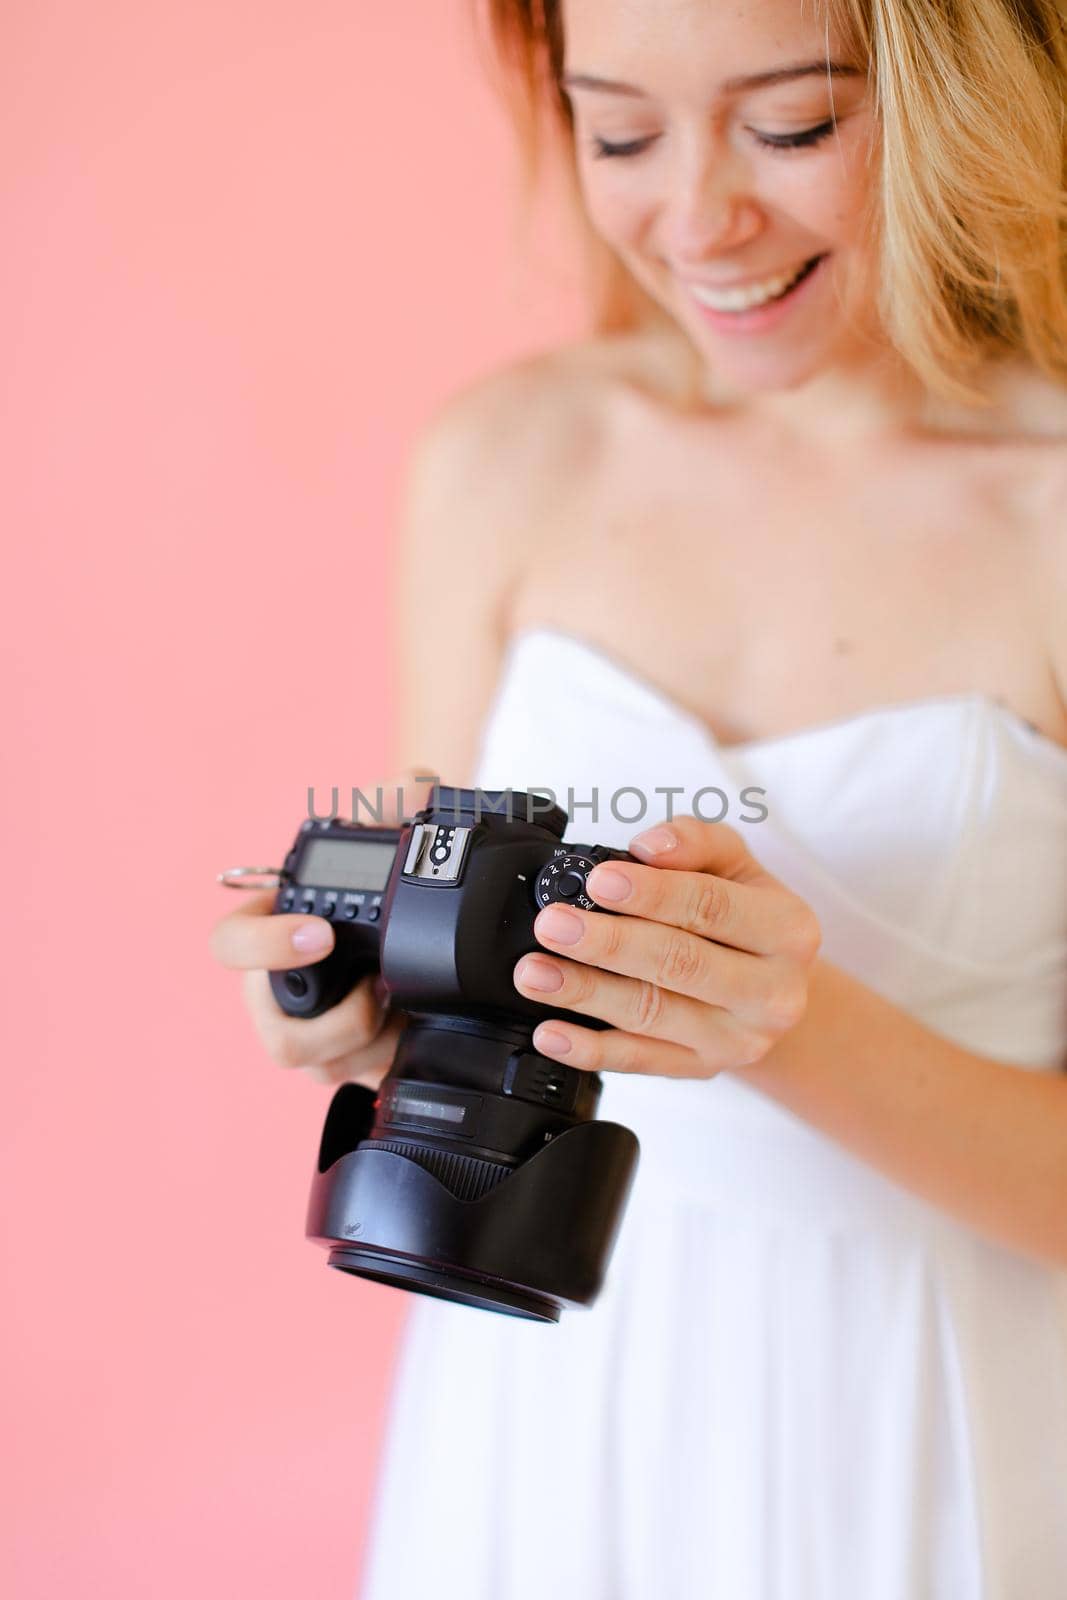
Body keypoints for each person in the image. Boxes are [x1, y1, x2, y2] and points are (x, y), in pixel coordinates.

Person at [209, 0, 1067, 1594]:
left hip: (928, 1424)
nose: (697, 219)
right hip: (531, 1392)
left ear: (967, 92)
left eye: (794, 127)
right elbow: (441, 974)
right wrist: (342, 1012)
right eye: (620, 131)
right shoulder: (510, 459)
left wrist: (788, 1023)